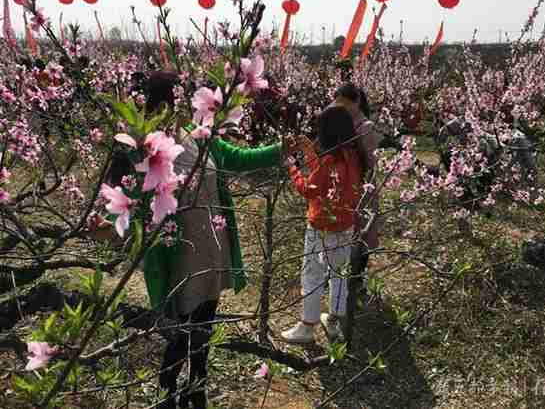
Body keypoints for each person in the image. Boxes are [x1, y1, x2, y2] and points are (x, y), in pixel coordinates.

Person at [92, 71, 285, 409]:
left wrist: (280, 149)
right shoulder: (139, 148)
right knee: (179, 331)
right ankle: (167, 390)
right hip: (175, 254)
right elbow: (121, 196)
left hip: (211, 245)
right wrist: (108, 224)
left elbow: (238, 159)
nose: (182, 105)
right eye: (175, 99)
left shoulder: (198, 134)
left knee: (205, 324)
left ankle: (197, 387)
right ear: (158, 105)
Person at [281, 106, 364, 344]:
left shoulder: (329, 159)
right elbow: (325, 176)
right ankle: (334, 322)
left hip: (321, 226)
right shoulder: (352, 156)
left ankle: (307, 326)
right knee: (339, 273)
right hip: (345, 225)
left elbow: (309, 189)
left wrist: (292, 167)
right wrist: (309, 152)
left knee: (312, 274)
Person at [332, 84, 383, 291]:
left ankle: (356, 280)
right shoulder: (345, 122)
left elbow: (371, 163)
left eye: (344, 104)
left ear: (357, 102)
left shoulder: (365, 126)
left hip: (361, 187)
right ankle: (342, 278)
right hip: (343, 185)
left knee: (361, 233)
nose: (341, 109)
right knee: (344, 232)